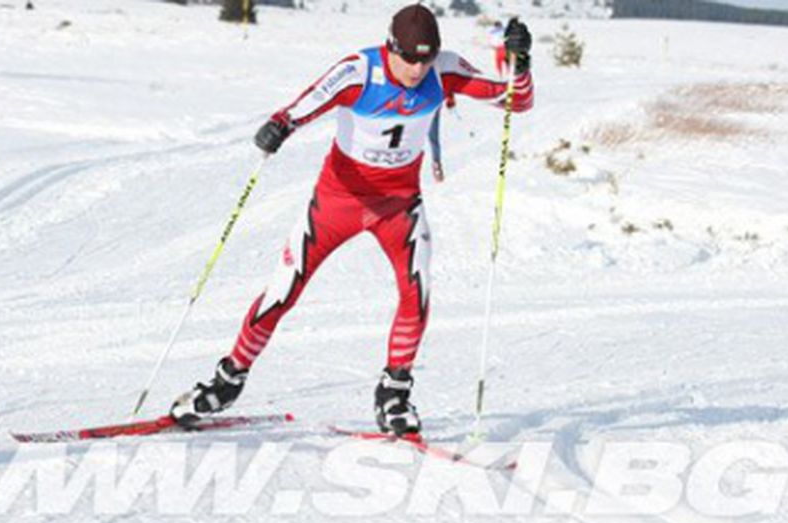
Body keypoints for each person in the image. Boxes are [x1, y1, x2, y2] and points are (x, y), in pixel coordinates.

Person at [170, 5, 534, 435]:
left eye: (427, 58)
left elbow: (517, 101)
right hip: (337, 201)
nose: (418, 69)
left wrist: (521, 63)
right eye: (410, 58)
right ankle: (228, 380)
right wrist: (279, 126)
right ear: (390, 47)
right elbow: (305, 104)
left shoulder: (444, 69)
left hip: (398, 205)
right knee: (283, 291)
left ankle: (394, 394)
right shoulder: (359, 71)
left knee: (416, 291)